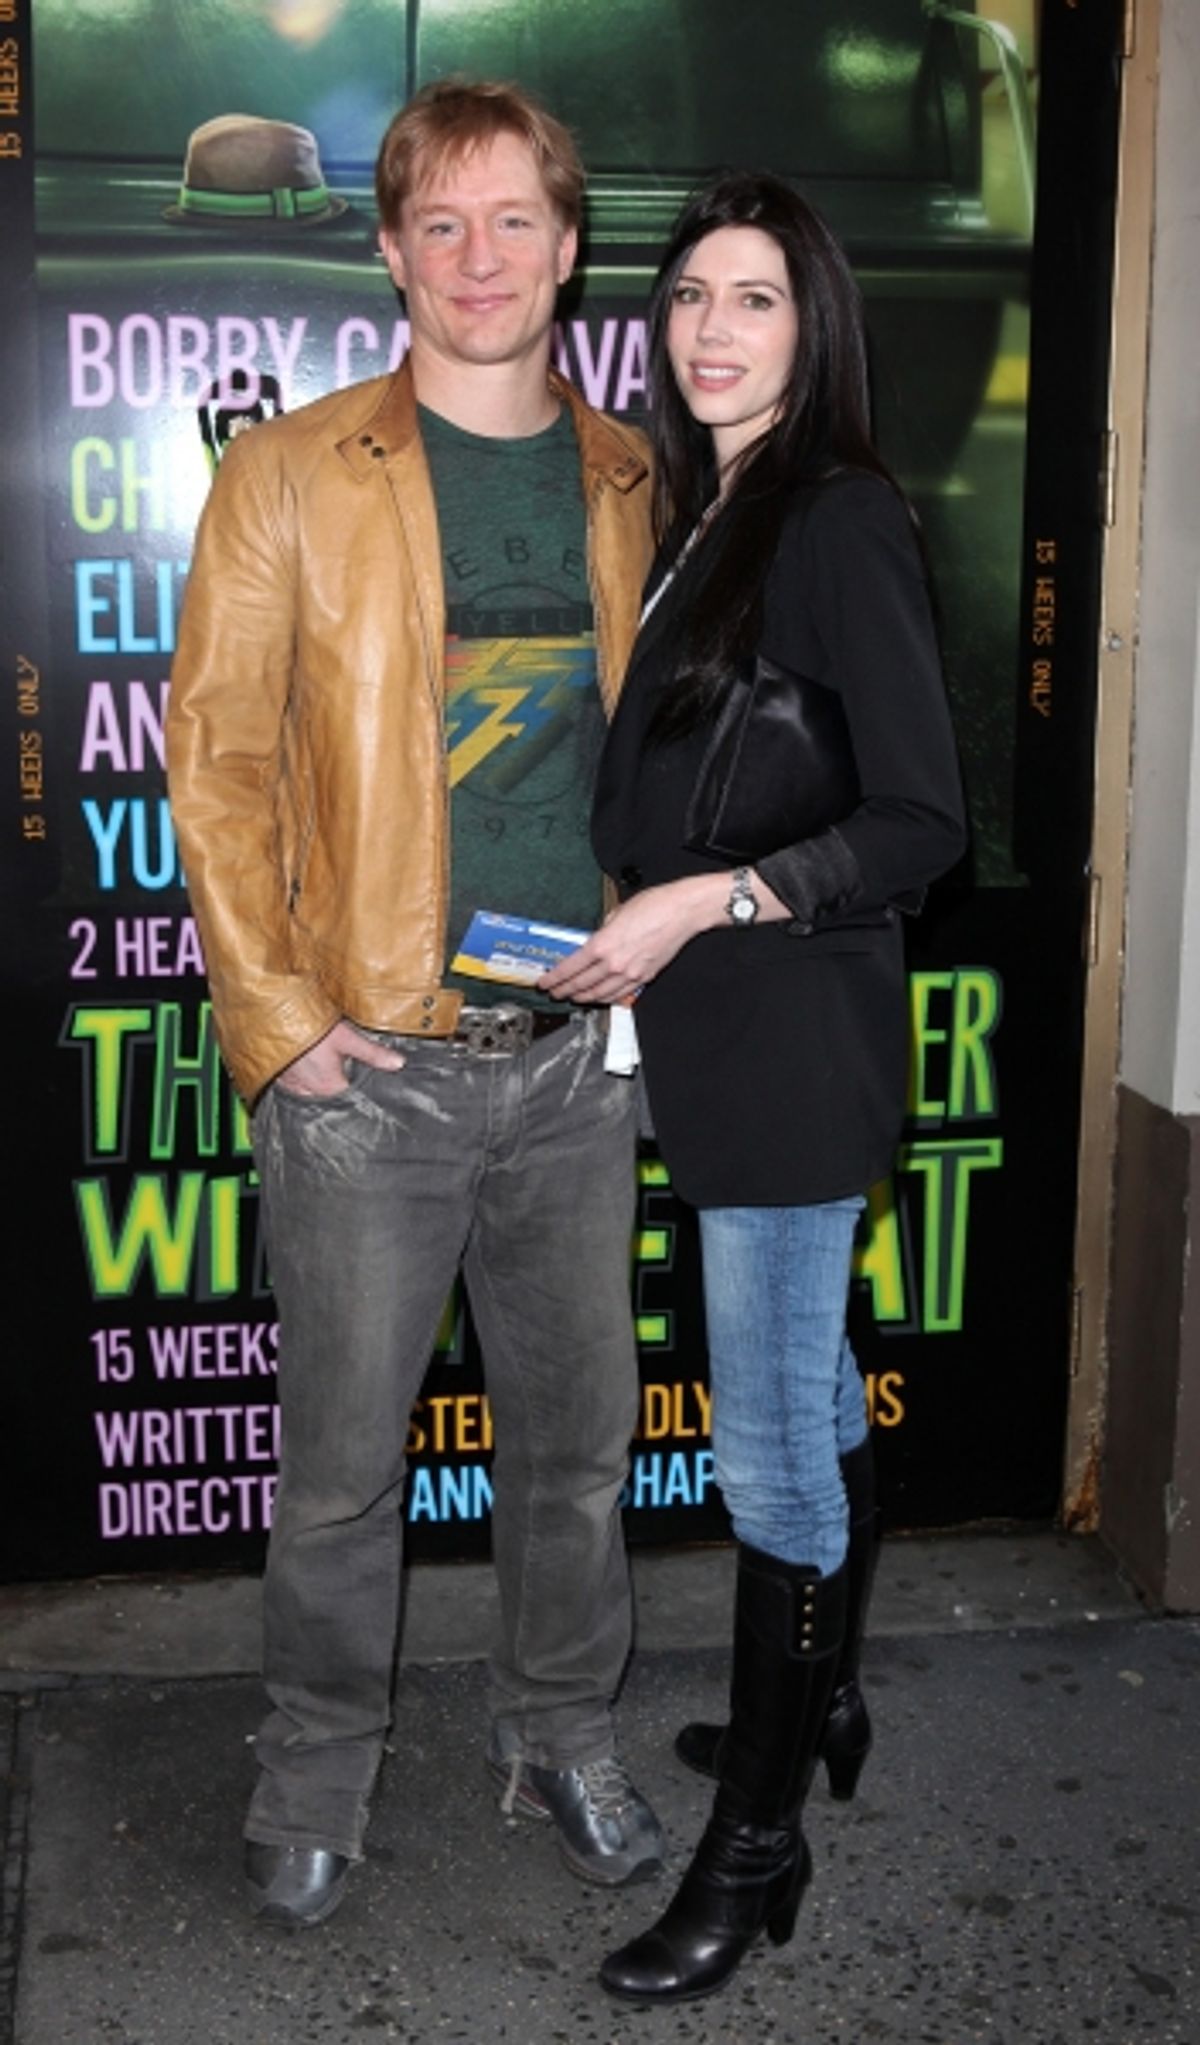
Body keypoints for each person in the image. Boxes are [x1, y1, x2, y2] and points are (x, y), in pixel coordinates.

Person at [165, 78, 664, 1931]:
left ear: (566, 245)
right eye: (440, 224)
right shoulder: (289, 473)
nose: (479, 259)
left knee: (576, 1453)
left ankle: (560, 1731)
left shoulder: (631, 479)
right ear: (386, 249)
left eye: (514, 219)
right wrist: (282, 1022)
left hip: (573, 1068)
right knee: (340, 1471)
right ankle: (313, 1767)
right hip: (368, 1068)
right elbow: (208, 763)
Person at [542, 170, 966, 2002]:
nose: (712, 330)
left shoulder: (835, 515)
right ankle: (832, 1694)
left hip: (788, 1050)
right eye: (691, 295)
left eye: (758, 300)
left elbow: (922, 822)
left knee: (775, 1448)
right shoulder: (717, 506)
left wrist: (707, 897)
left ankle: (757, 1848)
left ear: (818, 326)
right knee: (805, 1397)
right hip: (727, 1041)